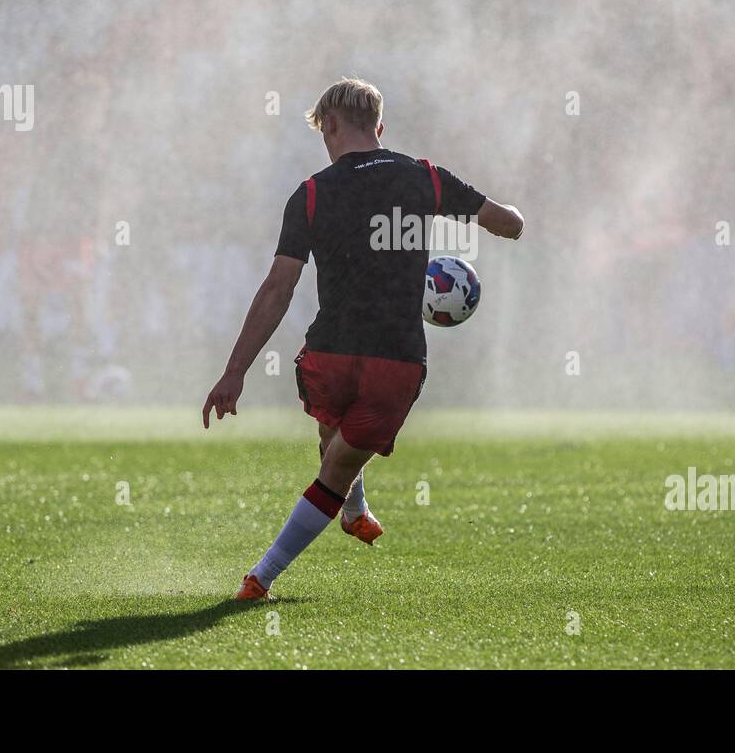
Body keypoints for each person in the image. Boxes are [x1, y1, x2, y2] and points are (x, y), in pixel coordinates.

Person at [202, 77, 524, 599]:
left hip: (329, 354)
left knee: (335, 446)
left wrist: (235, 371)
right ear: (380, 126)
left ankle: (313, 538)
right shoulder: (425, 179)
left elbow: (278, 287)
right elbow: (508, 224)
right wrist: (511, 220)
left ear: (328, 125)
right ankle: (267, 572)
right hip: (395, 361)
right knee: (339, 462)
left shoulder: (310, 194)